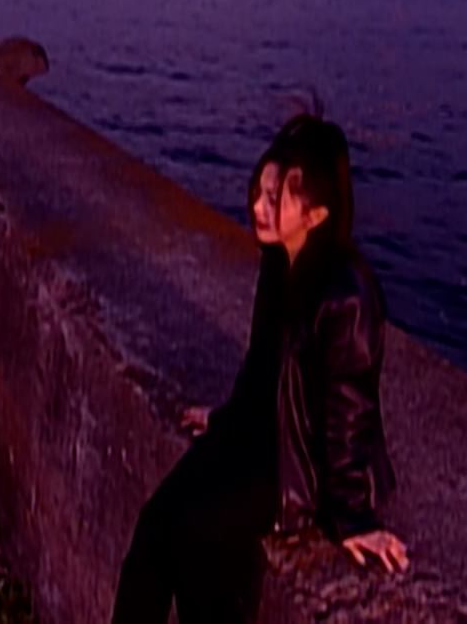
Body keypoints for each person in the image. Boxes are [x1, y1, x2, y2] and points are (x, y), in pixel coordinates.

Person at [110, 112, 408, 623]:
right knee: (156, 523)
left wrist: (353, 516)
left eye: (275, 199)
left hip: (298, 463)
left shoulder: (347, 298)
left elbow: (349, 413)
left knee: (196, 535)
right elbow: (262, 366)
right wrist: (223, 418)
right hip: (256, 432)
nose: (256, 208)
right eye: (260, 191)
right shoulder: (279, 260)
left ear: (316, 214)